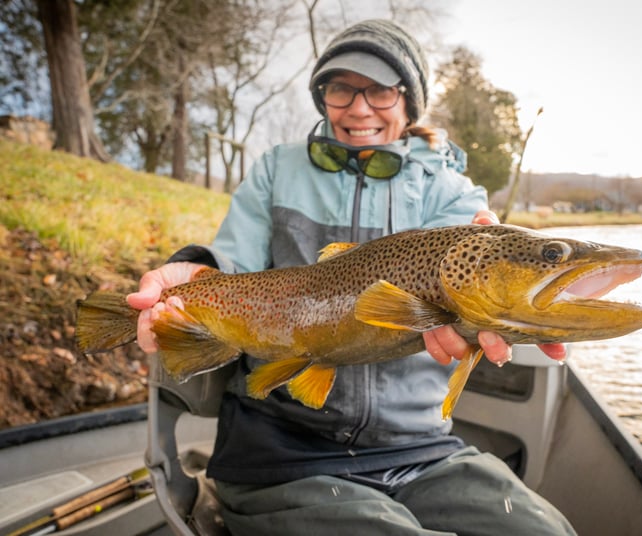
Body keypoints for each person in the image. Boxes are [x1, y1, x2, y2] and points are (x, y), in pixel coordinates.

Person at [128, 19, 575, 536]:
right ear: (323, 97)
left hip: (421, 449)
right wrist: (192, 276)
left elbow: (472, 274)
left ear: (410, 102)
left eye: (380, 90)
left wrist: (510, 307)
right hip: (279, 451)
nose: (359, 108)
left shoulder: (450, 190)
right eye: (341, 87)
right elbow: (232, 268)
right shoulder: (277, 169)